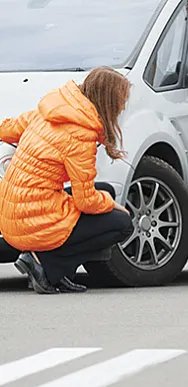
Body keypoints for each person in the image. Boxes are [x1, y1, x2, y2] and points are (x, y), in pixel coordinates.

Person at [0, 66, 135, 294]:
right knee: (122, 224)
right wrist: (112, 205)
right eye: (121, 102)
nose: (122, 107)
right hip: (30, 220)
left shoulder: (52, 110)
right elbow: (86, 201)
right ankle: (45, 264)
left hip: (10, 210)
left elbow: (7, 130)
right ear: (109, 101)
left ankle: (53, 269)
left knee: (106, 190)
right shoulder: (80, 135)